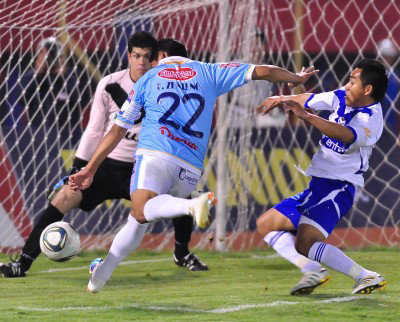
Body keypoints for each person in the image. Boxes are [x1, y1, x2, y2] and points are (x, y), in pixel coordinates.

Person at [68, 37, 318, 293]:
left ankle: (192, 205)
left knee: (142, 210)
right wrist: (296, 79)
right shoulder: (209, 71)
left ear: (161, 55)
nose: (152, 62)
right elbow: (263, 71)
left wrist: (89, 168)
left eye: (154, 57)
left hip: (155, 155)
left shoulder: (149, 78)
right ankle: (101, 274)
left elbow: (117, 129)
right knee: (138, 219)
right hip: (190, 168)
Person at [0, 32, 208, 279]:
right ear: (129, 56)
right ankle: (22, 263)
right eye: (136, 56)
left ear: (155, 59)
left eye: (147, 57)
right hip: (108, 165)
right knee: (64, 196)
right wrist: (76, 170)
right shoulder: (110, 83)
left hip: (147, 166)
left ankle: (182, 253)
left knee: (182, 194)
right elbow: (94, 129)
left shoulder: (166, 84)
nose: (141, 62)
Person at [256, 58, 388, 295]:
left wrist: (307, 117)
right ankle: (315, 270)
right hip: (319, 185)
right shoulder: (340, 96)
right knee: (266, 224)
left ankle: (364, 276)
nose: (347, 85)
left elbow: (346, 134)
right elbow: (308, 99)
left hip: (339, 187)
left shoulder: (372, 117)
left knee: (305, 243)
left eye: (353, 81)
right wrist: (283, 97)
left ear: (368, 89)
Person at [377, 38, 400, 135]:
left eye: (390, 57)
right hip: (378, 122)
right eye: (386, 56)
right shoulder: (376, 74)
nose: (388, 59)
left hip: (393, 123)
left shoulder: (395, 74)